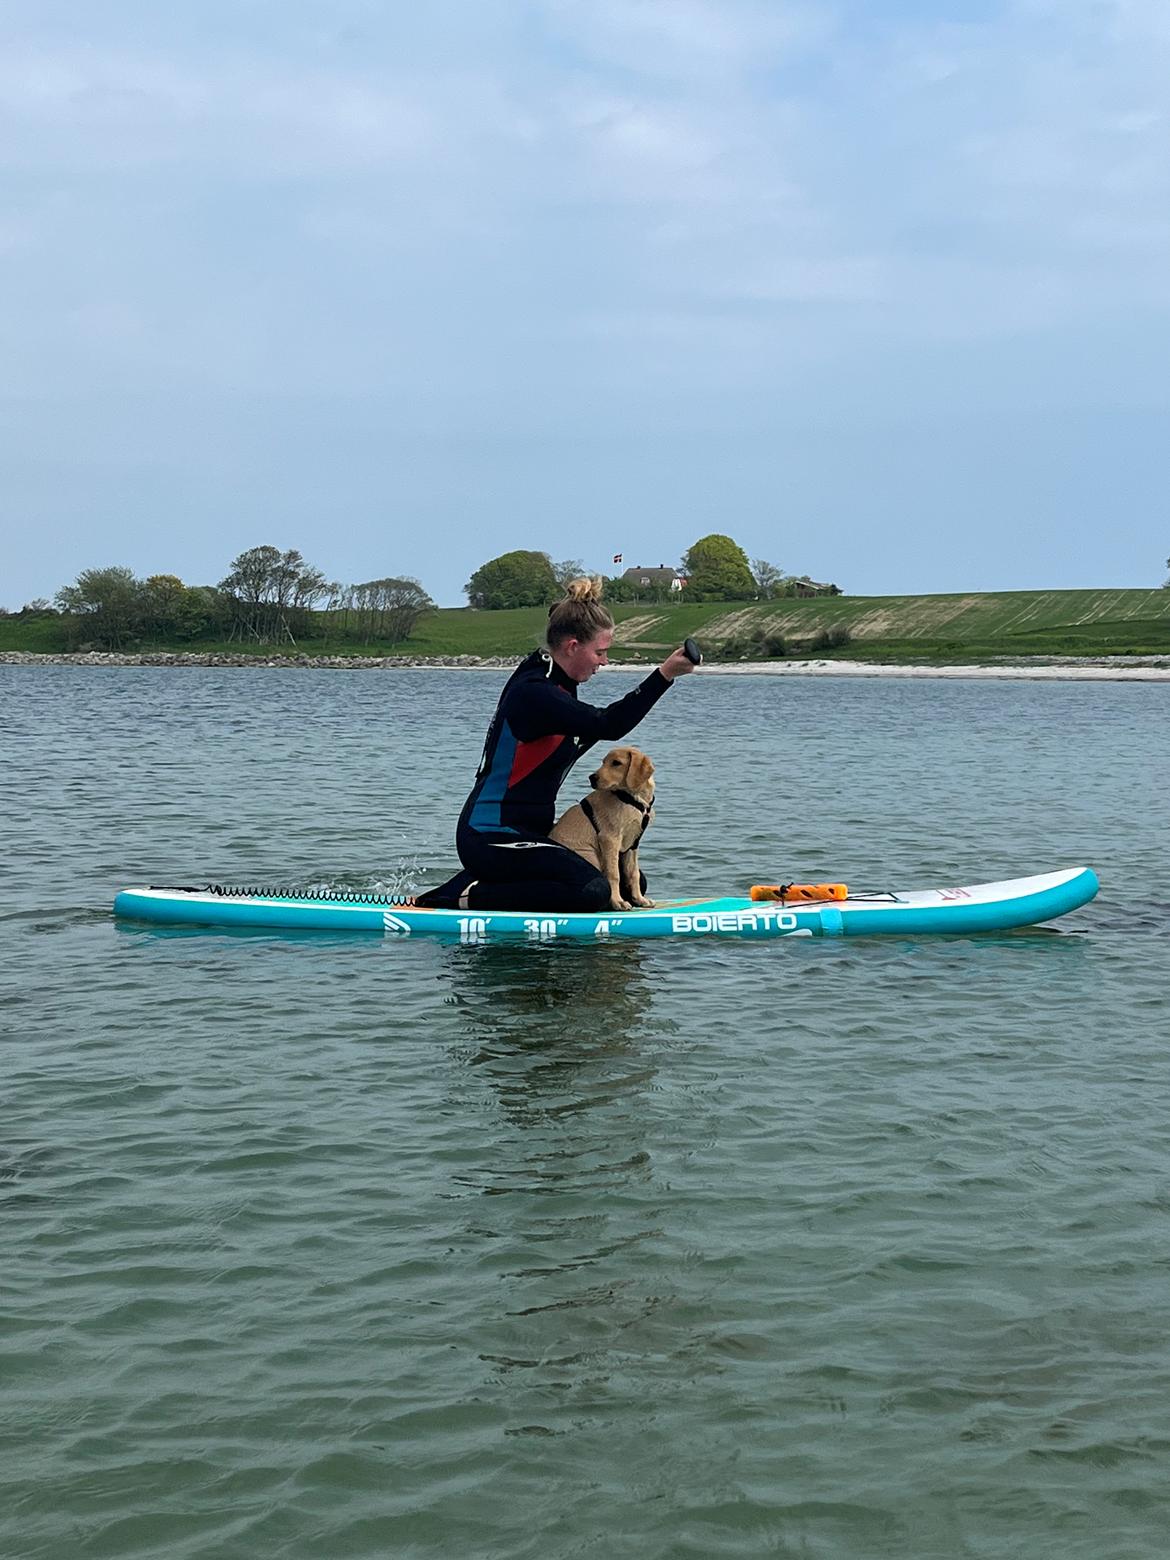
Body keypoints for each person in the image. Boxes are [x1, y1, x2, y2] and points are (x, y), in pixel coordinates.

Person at [416, 578, 696, 911]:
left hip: (535, 836)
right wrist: (665, 674)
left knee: (624, 877)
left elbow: (599, 720)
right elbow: (609, 724)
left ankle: (469, 884)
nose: (604, 662)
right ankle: (460, 897)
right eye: (600, 652)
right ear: (572, 646)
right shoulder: (535, 693)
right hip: (492, 835)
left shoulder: (558, 681)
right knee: (593, 891)